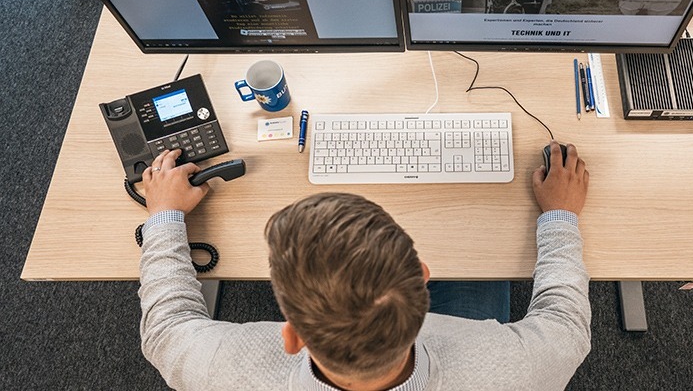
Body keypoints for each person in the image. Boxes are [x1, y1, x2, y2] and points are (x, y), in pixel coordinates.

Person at [138, 140, 590, 390]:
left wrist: (164, 214)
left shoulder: (226, 371)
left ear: (291, 336)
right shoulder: (512, 369)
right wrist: (560, 216)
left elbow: (165, 329)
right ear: (423, 276)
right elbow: (566, 325)